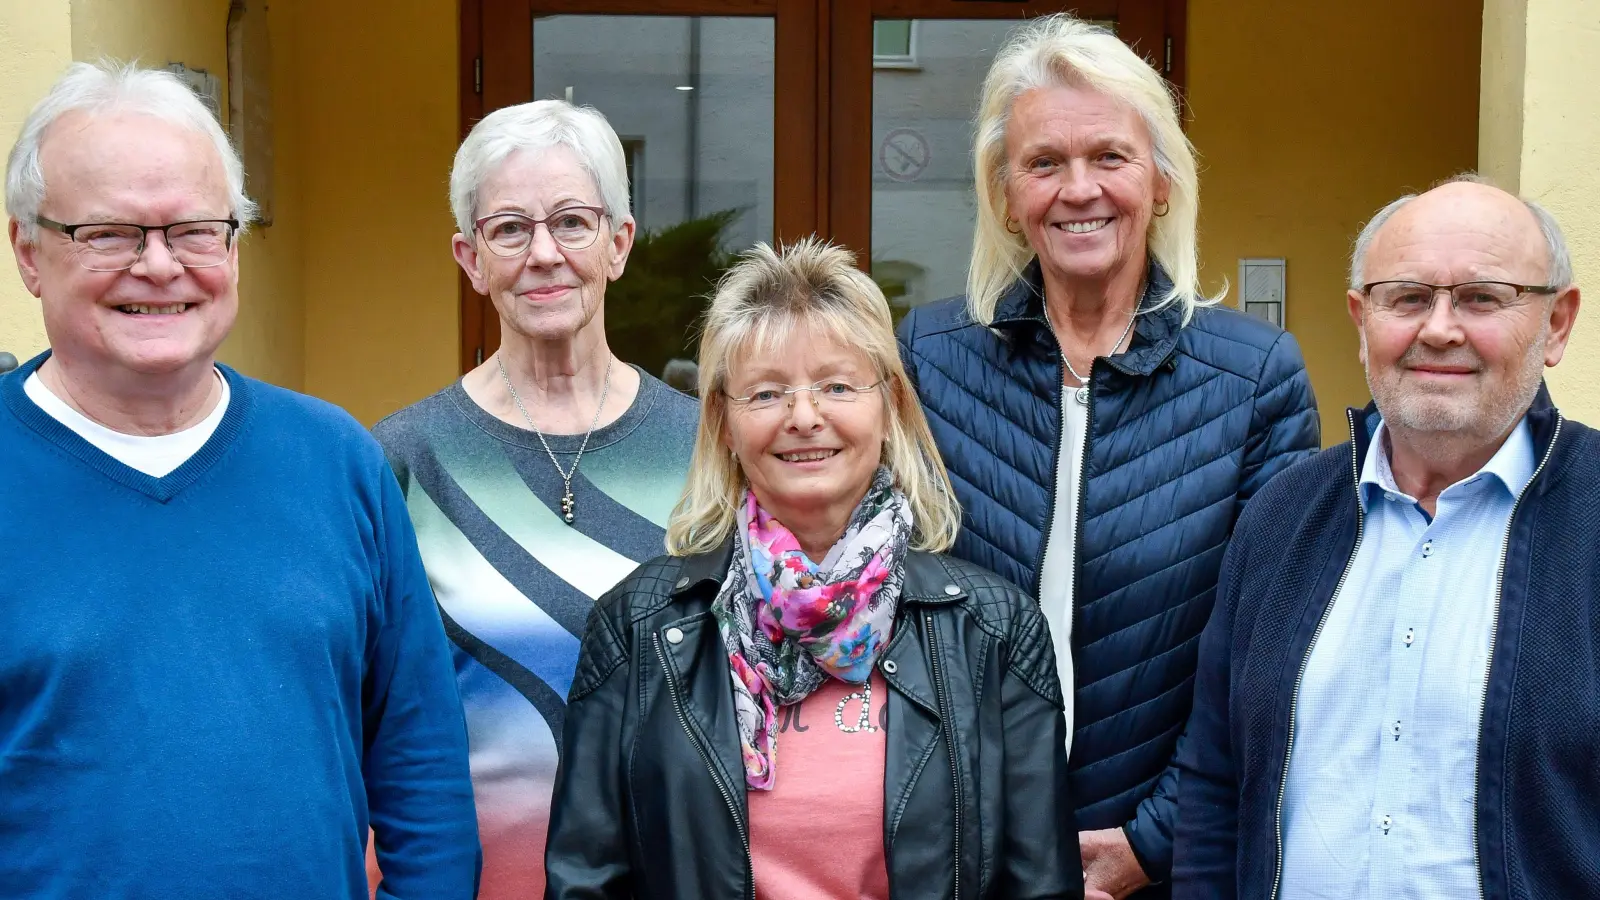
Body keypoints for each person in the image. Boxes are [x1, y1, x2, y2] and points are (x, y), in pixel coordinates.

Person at [0, 62, 478, 898]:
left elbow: (421, 769)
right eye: (109, 232)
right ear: (28, 250)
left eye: (193, 230)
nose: (158, 267)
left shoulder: (337, 463)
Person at [896, 15, 1319, 898]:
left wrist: (1150, 841)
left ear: (1162, 181)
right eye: (1044, 163)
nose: (1077, 189)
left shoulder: (1252, 380)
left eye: (1111, 157)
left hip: (1164, 860)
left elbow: (1274, 647)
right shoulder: (927, 359)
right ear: (1006, 193)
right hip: (959, 850)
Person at [544, 238, 1082, 900]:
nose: (804, 417)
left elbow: (1038, 886)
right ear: (723, 424)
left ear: (890, 410)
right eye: (767, 393)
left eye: (836, 385)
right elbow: (585, 881)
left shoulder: (993, 631)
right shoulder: (636, 628)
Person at [1173, 176, 1594, 899]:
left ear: (1556, 324)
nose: (1438, 329)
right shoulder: (1283, 516)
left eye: (1481, 298)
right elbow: (1215, 783)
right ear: (1361, 318)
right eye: (1406, 297)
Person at [370, 99, 697, 900]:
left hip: (677, 874)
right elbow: (371, 716)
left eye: (572, 222)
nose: (543, 253)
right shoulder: (400, 459)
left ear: (619, 244)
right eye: (509, 229)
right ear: (470, 258)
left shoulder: (710, 449)